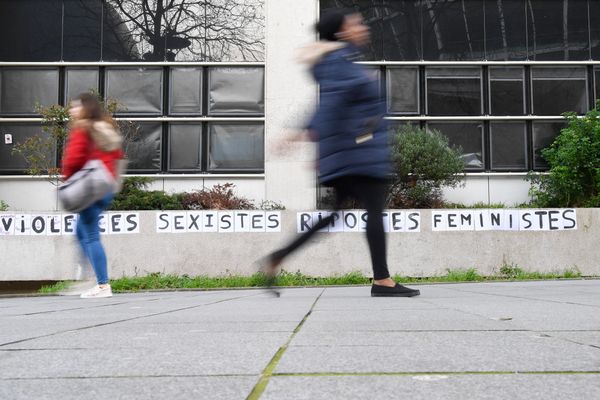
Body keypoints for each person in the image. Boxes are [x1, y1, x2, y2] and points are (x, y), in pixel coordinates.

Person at [263, 9, 420, 297]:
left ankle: (278, 257)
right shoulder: (339, 62)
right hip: (357, 153)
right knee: (373, 210)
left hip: (353, 151)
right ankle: (382, 280)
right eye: (356, 23)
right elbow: (329, 106)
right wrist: (304, 134)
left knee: (334, 215)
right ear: (341, 32)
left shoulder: (344, 60)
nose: (363, 27)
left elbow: (338, 104)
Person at [61, 93, 123, 298]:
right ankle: (90, 277)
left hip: (88, 188)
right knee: (81, 231)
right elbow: (117, 157)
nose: (72, 111)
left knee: (90, 235)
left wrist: (68, 179)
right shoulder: (104, 127)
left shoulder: (83, 128)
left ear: (85, 109)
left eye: (75, 107)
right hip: (104, 187)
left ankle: (102, 284)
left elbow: (73, 159)